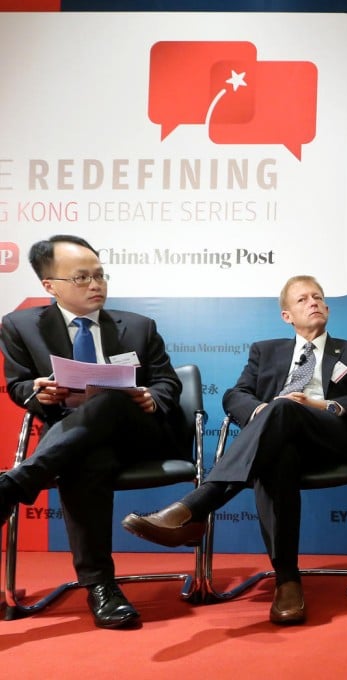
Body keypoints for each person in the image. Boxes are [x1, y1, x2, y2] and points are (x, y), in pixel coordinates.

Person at [122, 275, 347, 625]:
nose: (313, 303)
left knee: (286, 408)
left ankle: (195, 508)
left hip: (329, 440)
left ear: (328, 308)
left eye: (318, 297)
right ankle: (287, 579)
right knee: (278, 452)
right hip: (277, 440)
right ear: (287, 315)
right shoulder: (266, 349)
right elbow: (235, 395)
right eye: (303, 299)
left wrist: (318, 406)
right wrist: (262, 412)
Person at [0, 234, 186, 629]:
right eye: (82, 278)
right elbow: (18, 387)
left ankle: (15, 485)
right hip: (75, 442)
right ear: (50, 286)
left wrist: (153, 397)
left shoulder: (138, 326)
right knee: (86, 458)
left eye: (100, 275)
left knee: (111, 397)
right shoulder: (19, 326)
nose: (96, 285)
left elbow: (168, 383)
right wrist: (38, 392)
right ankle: (101, 587)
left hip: (140, 434)